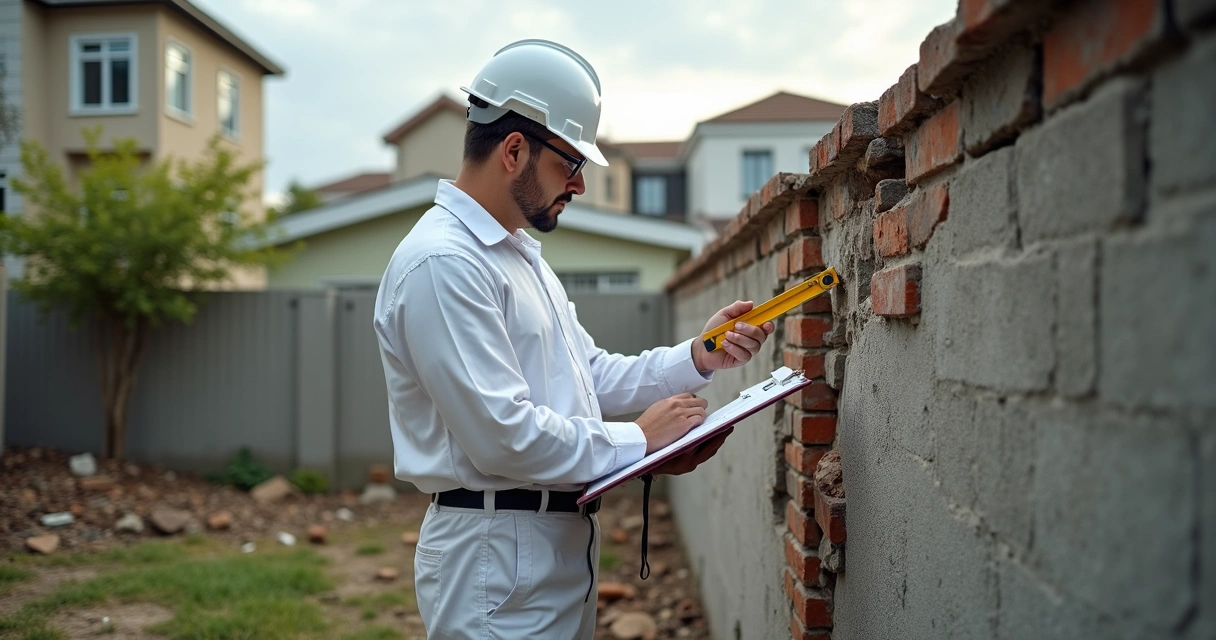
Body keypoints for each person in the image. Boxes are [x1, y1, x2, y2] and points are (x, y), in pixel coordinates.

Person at [372, 39, 775, 639]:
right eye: (571, 164)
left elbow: (588, 375)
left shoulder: (516, 256)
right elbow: (501, 437)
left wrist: (699, 354)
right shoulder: (443, 264)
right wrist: (639, 439)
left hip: (543, 548)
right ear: (513, 150)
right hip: (496, 562)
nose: (580, 185)